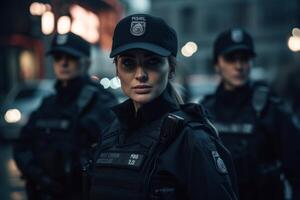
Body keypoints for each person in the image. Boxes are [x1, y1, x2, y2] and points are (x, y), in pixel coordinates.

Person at [86, 14, 238, 200]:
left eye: (152, 61)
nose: (140, 74)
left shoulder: (192, 139)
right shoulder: (110, 134)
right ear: (117, 69)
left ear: (171, 68)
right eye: (128, 63)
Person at [13, 32, 118, 200]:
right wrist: (41, 178)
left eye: (71, 57)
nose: (63, 63)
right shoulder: (48, 104)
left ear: (87, 62)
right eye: (57, 57)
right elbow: (22, 146)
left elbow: (114, 156)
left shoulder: (101, 103)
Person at [201, 28, 300, 200]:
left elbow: (296, 167)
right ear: (217, 64)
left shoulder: (271, 108)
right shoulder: (205, 110)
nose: (238, 66)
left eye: (244, 59)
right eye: (231, 59)